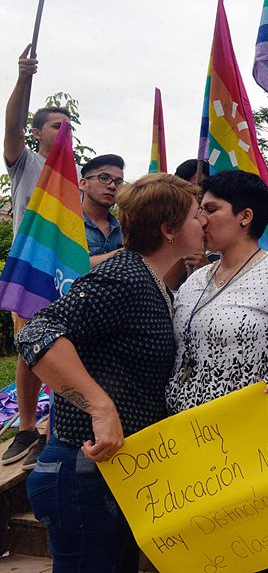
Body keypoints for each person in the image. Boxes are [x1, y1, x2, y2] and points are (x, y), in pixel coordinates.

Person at [17, 173, 205, 570]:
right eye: (195, 215)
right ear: (168, 229)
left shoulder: (152, 281)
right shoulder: (124, 276)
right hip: (83, 476)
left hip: (115, 476)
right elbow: (36, 333)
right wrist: (100, 407)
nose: (203, 221)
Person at [167, 170, 268, 452]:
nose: (201, 219)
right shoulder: (195, 280)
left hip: (258, 435)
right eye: (200, 211)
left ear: (245, 216)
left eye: (211, 209)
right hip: (192, 435)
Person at [3, 47, 71, 469]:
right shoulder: (26, 163)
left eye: (68, 126)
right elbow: (10, 126)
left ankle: (53, 430)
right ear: (37, 132)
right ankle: (26, 428)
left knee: (64, 349)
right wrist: (23, 79)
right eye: (56, 125)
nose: (64, 131)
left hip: (65, 272)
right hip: (30, 270)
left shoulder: (75, 175)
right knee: (30, 348)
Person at [79, 154, 125, 266]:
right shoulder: (65, 224)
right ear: (83, 184)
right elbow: (65, 266)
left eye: (119, 182)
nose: (112, 186)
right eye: (104, 178)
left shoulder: (125, 230)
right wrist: (124, 254)